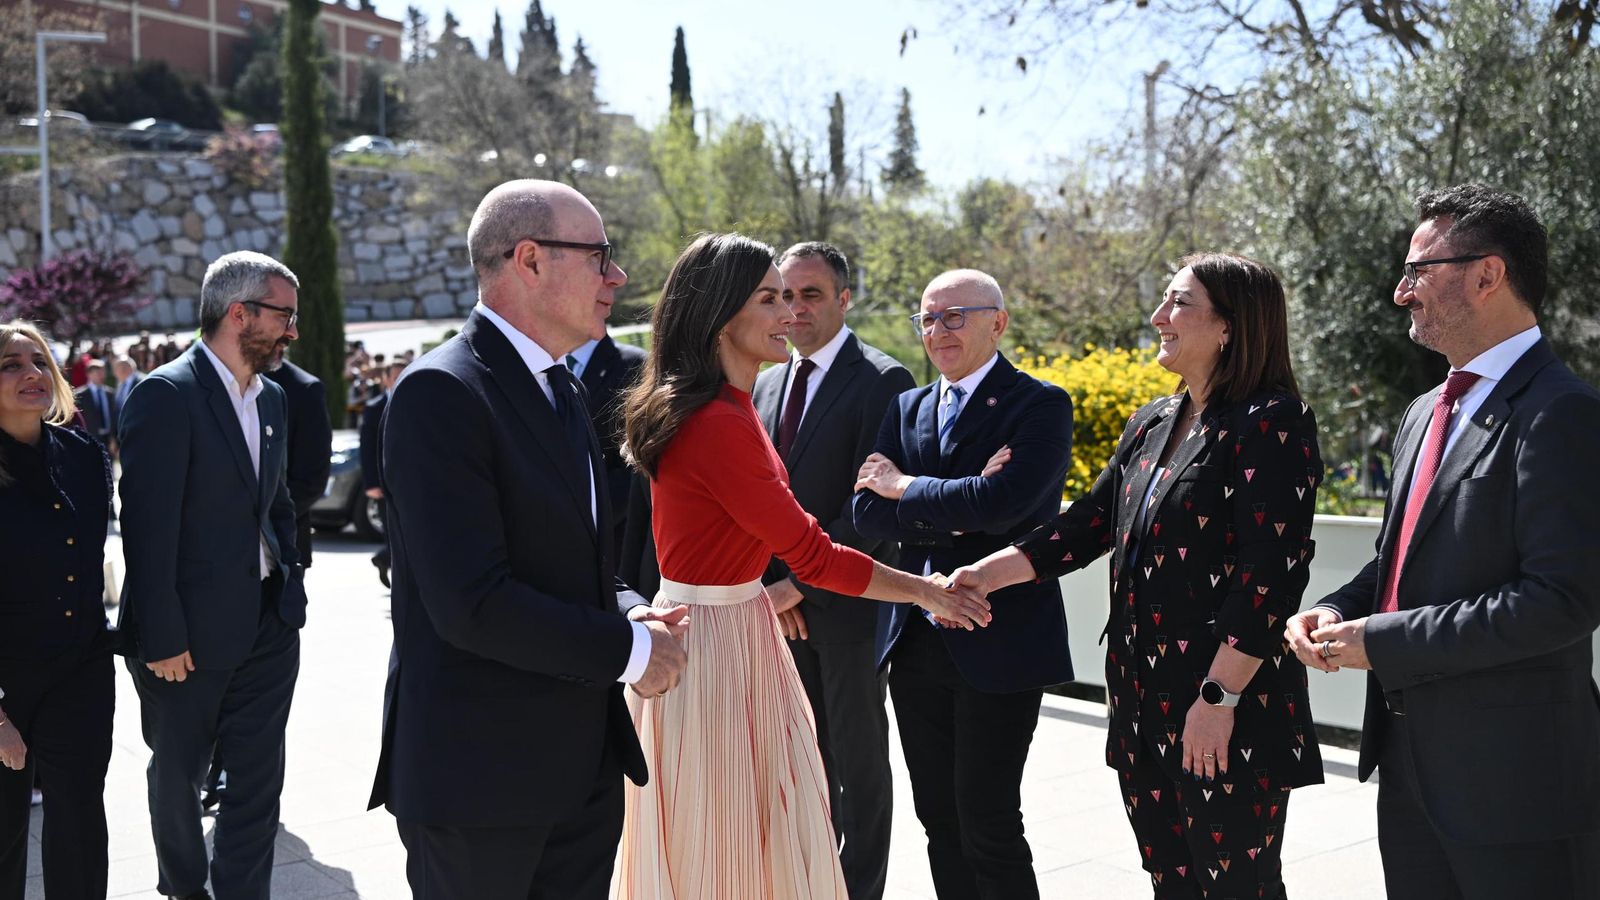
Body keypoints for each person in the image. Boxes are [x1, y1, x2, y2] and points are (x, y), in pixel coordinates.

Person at [613, 233, 992, 900]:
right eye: (769, 298)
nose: (787, 312)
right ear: (722, 313)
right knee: (729, 850)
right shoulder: (720, 422)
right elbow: (813, 554)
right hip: (718, 646)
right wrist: (927, 591)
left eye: (792, 296)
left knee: (743, 840)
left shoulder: (722, 410)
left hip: (729, 633)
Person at [946, 254, 1324, 899]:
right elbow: (1089, 525)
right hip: (1142, 700)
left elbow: (1270, 578)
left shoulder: (1273, 421)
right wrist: (987, 573)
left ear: (1230, 326)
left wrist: (1217, 701)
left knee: (1238, 888)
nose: (1158, 317)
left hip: (1225, 703)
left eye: (1179, 303)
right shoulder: (1151, 420)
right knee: (1171, 881)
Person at [367, 179, 690, 900]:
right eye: (600, 255)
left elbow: (578, 560)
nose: (618, 276)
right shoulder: (441, 392)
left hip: (577, 774)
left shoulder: (562, 388)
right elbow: (472, 602)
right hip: (482, 788)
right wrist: (631, 651)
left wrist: (631, 608)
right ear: (531, 259)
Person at [1286, 185, 1600, 899]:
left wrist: (1386, 642)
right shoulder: (1425, 411)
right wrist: (1337, 610)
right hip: (1409, 770)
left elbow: (1561, 601)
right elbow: (1400, 557)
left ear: (1487, 275)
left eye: (1418, 271)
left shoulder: (1565, 414)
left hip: (1519, 790)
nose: (1402, 293)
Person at [850, 269, 1073, 900]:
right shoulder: (908, 406)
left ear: (997, 322)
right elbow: (866, 513)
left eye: (955, 316)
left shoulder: (1040, 404)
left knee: (989, 822)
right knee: (939, 822)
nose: (937, 331)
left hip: (997, 633)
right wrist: (962, 495)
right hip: (917, 641)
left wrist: (905, 488)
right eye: (927, 318)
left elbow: (1007, 506)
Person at [116, 250, 308, 900]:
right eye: (285, 316)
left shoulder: (274, 397)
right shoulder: (164, 395)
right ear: (239, 313)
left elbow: (277, 505)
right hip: (185, 643)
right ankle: (183, 889)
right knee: (177, 778)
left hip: (268, 629)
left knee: (257, 786)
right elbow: (146, 530)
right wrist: (163, 637)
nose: (293, 332)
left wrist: (293, 590)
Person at [750, 240, 914, 900]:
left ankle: (860, 890)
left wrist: (799, 582)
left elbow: (872, 512)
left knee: (858, 766)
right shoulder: (761, 382)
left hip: (844, 609)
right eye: (783, 294)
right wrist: (769, 584)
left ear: (844, 299)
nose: (794, 309)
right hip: (775, 613)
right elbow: (754, 496)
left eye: (810, 294)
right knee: (797, 764)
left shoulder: (883, 380)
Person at [0, 321, 116, 900]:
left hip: (81, 671)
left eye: (39, 362)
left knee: (79, 830)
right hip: (5, 684)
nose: (31, 374)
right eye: (11, 364)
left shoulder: (84, 455)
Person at [569, 334, 647, 551]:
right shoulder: (542, 368)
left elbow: (637, 466)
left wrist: (582, 520)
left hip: (615, 542)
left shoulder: (635, 365)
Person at [358, 360, 405, 587]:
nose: (399, 379)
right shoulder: (375, 407)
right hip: (384, 482)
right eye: (395, 375)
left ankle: (386, 560)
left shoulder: (416, 401)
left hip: (408, 483)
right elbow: (367, 447)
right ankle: (387, 560)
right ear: (385, 379)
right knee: (393, 534)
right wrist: (371, 483)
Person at [73, 359, 117, 450]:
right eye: (98, 373)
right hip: (89, 440)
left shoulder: (110, 393)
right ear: (89, 374)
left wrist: (114, 438)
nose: (101, 375)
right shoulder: (79, 395)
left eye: (103, 372)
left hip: (108, 440)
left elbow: (114, 416)